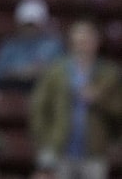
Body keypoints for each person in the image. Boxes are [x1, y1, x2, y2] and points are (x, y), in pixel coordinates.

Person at [30, 19, 122, 179]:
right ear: (71, 43)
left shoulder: (110, 74)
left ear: (96, 42)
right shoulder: (56, 72)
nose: (82, 45)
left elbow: (119, 110)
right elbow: (39, 108)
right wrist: (46, 141)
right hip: (61, 149)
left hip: (95, 152)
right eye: (78, 41)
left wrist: (98, 99)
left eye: (86, 41)